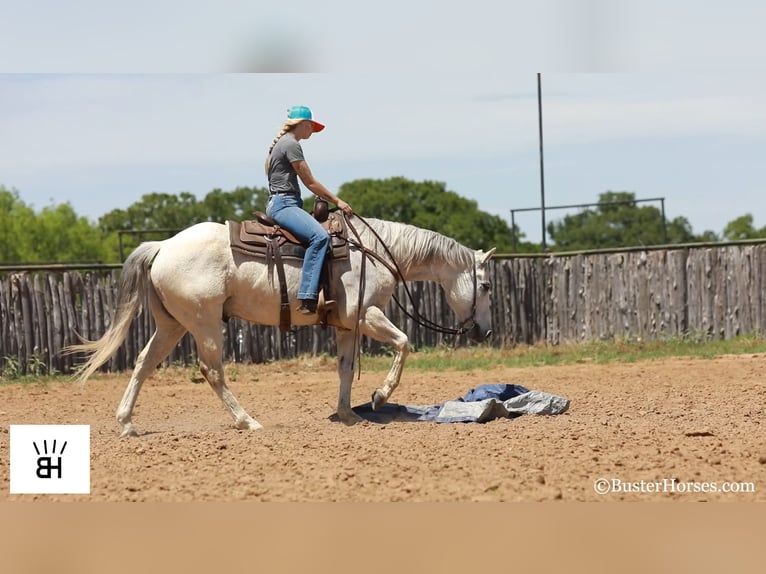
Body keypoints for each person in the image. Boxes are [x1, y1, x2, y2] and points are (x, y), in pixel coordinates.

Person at [264, 105, 353, 315]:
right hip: (284, 204)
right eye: (311, 126)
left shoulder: (285, 143)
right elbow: (309, 182)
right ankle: (307, 296)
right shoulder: (291, 144)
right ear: (302, 124)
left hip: (284, 202)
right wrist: (338, 201)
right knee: (320, 237)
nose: (312, 130)